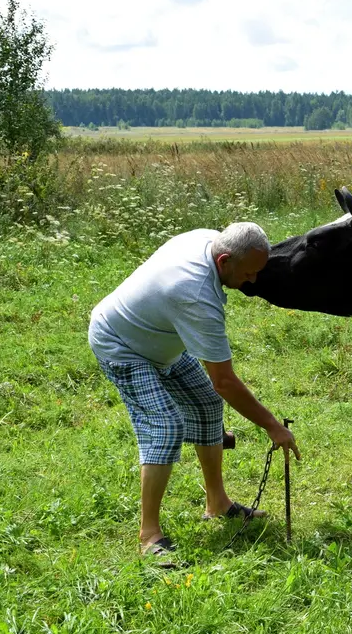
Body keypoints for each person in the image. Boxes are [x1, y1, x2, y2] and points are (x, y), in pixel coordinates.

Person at [88, 222, 300, 561]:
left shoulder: (208, 239)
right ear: (224, 261)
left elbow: (216, 389)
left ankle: (218, 504)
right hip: (121, 344)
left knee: (206, 403)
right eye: (248, 272)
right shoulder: (196, 296)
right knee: (166, 426)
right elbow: (224, 381)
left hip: (160, 339)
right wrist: (272, 426)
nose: (253, 280)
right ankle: (149, 534)